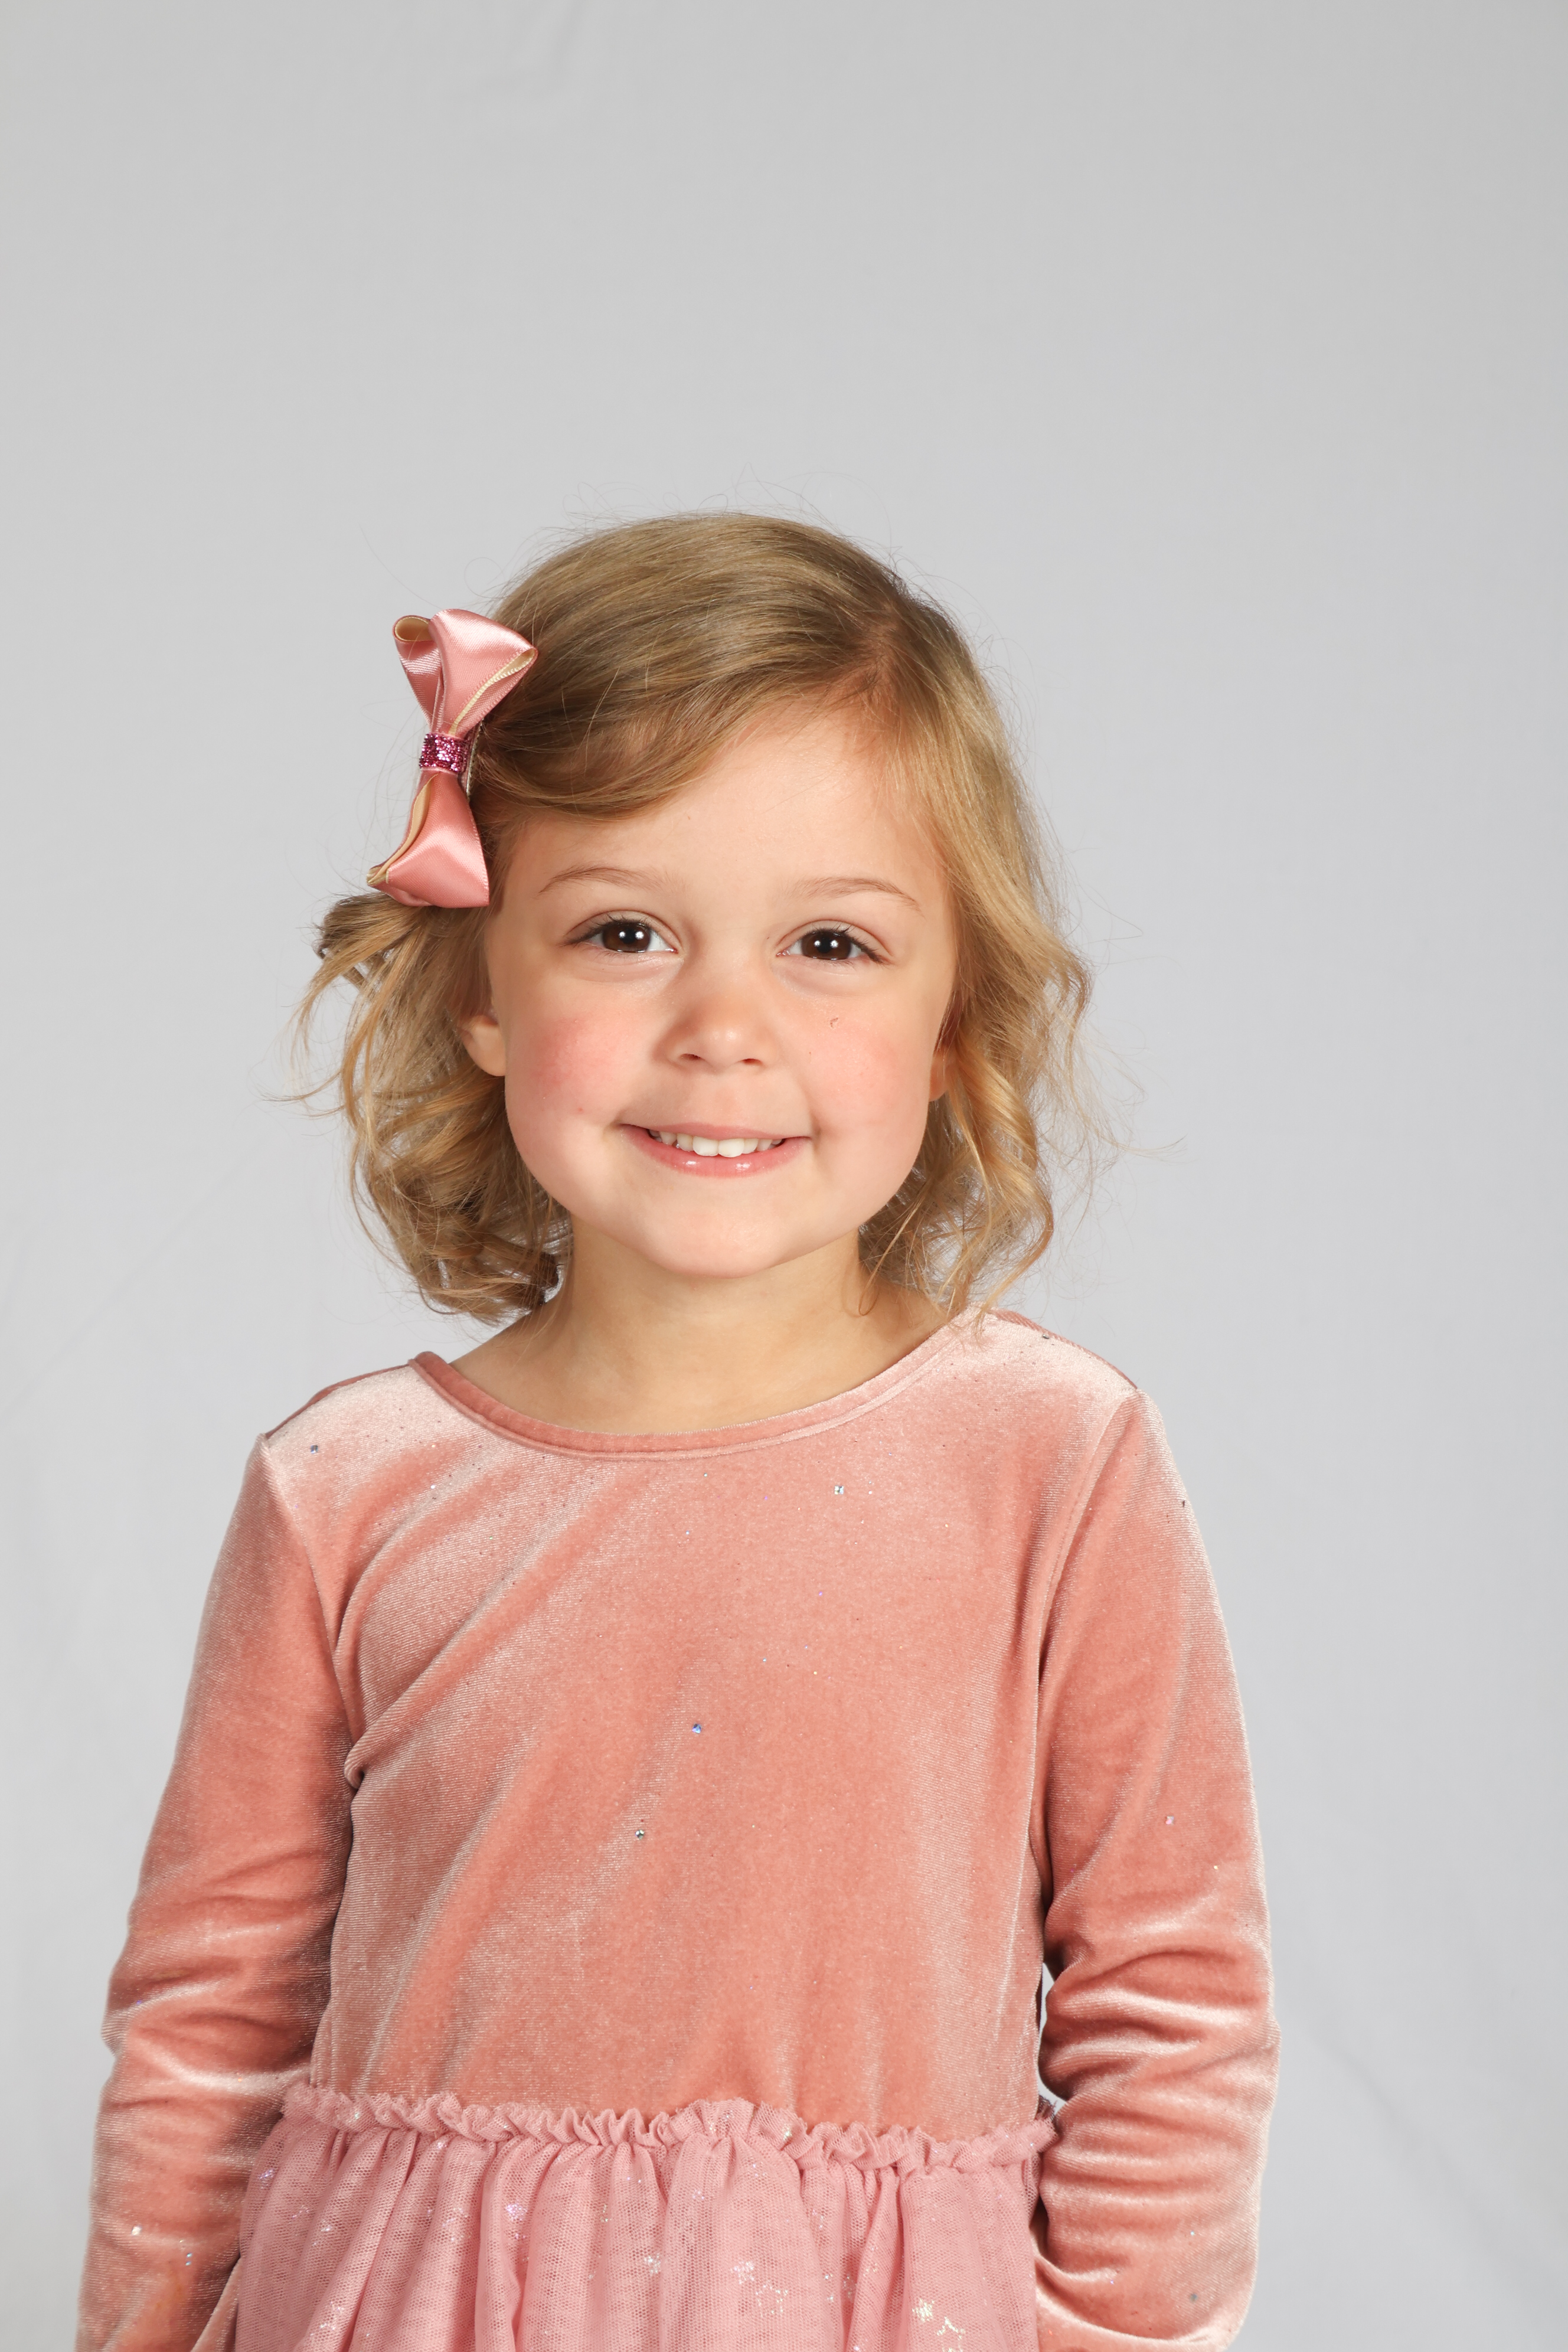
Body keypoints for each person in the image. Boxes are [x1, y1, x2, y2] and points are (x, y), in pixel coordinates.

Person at [77, 514, 1278, 2352]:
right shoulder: (344, 1493)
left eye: (830, 943)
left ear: (954, 1020)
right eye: (625, 932)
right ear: (482, 990)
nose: (725, 1027)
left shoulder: (1049, 1461)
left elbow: (1172, 2008)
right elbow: (208, 2018)